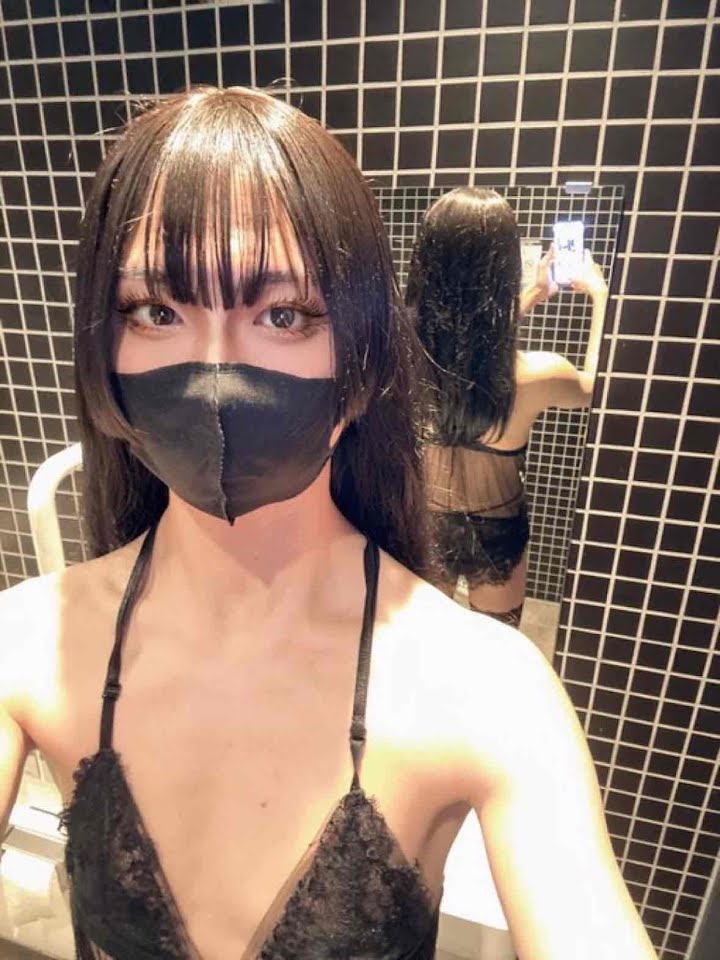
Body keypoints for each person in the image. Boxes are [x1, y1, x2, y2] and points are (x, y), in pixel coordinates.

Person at [0, 87, 657, 960]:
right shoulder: (25, 643)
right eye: (158, 311)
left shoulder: (487, 689)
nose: (217, 373)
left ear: (361, 358)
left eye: (283, 315)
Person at [406, 187, 609, 627]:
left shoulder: (402, 361)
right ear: (504, 269)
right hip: (497, 529)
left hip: (424, 522)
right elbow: (596, 387)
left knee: (424, 641)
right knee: (497, 645)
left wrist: (534, 292)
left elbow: (460, 349)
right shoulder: (536, 376)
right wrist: (600, 297)